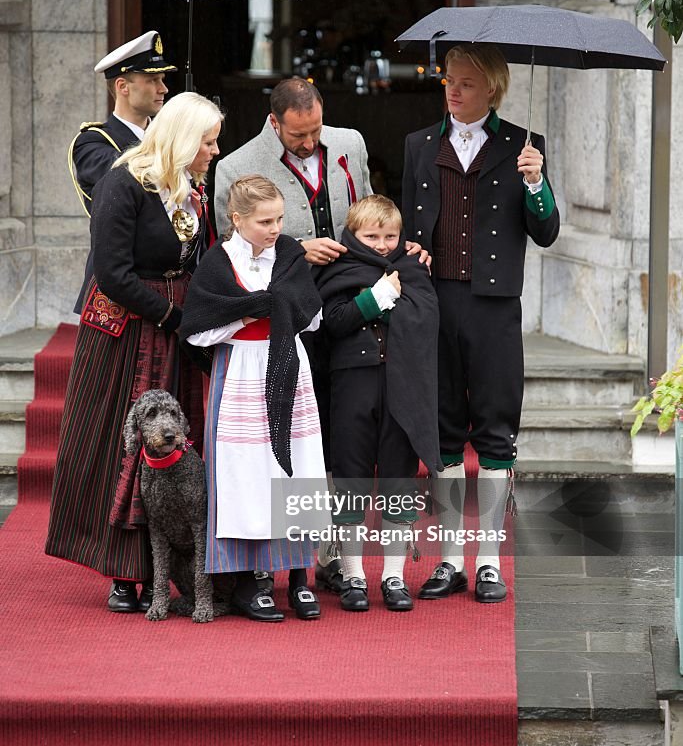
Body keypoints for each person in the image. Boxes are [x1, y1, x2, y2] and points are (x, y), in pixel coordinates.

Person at [45, 92, 221, 613]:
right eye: (207, 141)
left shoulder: (190, 187)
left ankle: (168, 572)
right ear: (184, 140)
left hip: (176, 326)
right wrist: (172, 316)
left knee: (175, 453)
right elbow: (113, 275)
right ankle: (124, 572)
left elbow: (196, 259)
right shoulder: (122, 184)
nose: (214, 151)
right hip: (125, 334)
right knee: (117, 449)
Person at [402, 44, 561, 603]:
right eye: (450, 80)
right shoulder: (419, 145)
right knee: (445, 429)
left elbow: (546, 232)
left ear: (492, 88)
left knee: (495, 431)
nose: (454, 90)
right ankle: (449, 560)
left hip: (495, 306)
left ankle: (489, 562)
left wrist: (536, 184)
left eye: (466, 83)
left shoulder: (524, 146)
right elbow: (409, 229)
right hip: (435, 301)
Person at [213, 77, 374, 595]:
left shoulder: (349, 144)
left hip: (348, 311)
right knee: (294, 439)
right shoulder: (235, 167)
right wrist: (297, 248)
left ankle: (337, 555)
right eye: (298, 135)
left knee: (342, 433)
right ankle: (291, 552)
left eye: (315, 131)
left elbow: (366, 213)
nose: (309, 144)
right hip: (287, 321)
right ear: (274, 121)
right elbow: (230, 252)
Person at [180, 176, 327, 623]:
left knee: (296, 465)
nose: (275, 228)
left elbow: (314, 318)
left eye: (280, 218)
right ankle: (248, 582)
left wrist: (283, 309)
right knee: (245, 473)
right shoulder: (218, 264)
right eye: (265, 220)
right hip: (241, 369)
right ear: (237, 219)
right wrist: (246, 313)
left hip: (287, 365)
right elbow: (198, 329)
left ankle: (300, 578)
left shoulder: (289, 256)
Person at [316, 195, 441, 612]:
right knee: (350, 479)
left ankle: (393, 576)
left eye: (390, 236)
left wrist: (386, 301)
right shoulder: (337, 268)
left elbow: (426, 319)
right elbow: (333, 322)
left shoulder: (412, 268)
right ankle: (353, 575)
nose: (384, 244)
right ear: (353, 235)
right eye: (372, 236)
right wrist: (377, 297)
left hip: (402, 388)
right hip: (352, 384)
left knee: (398, 479)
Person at [69, 30, 177, 311]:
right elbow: (129, 176)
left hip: (167, 282)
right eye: (153, 80)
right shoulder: (93, 142)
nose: (163, 88)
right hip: (118, 286)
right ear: (123, 86)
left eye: (162, 80)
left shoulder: (166, 138)